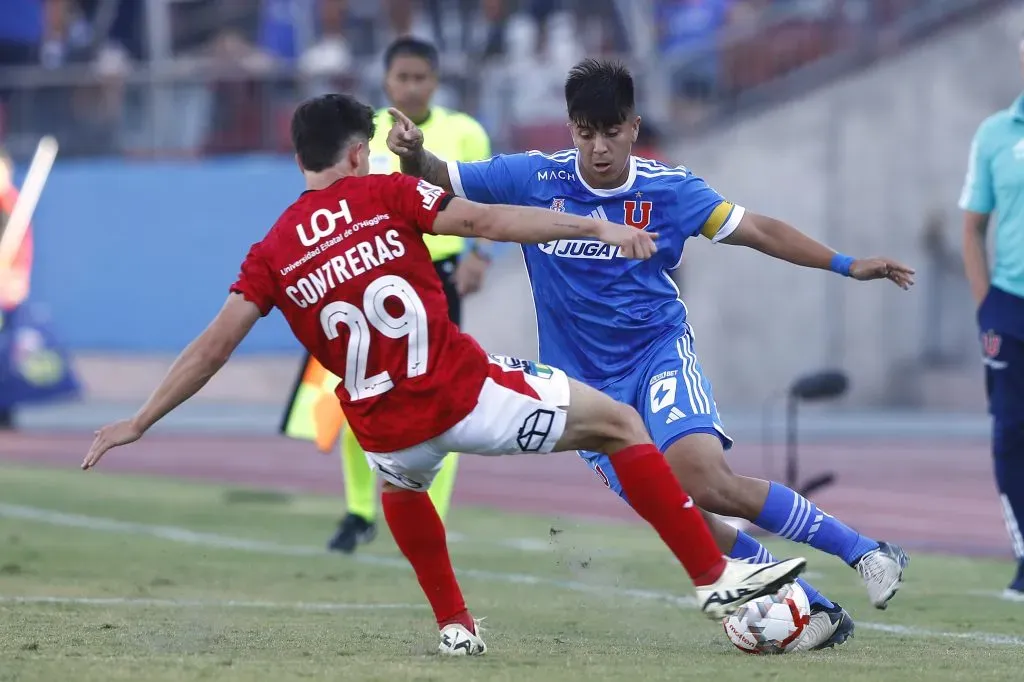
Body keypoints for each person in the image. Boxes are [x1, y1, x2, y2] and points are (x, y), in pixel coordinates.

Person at [82, 93, 807, 655]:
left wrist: (139, 420)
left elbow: (214, 345)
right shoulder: (385, 194)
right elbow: (489, 224)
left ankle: (455, 625)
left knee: (400, 484)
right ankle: (715, 578)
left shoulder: (271, 250)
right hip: (464, 396)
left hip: (387, 429)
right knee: (620, 424)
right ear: (357, 152)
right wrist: (595, 226)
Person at [388, 58, 916, 652]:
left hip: (655, 355)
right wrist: (413, 151)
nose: (599, 147)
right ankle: (817, 609)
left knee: (704, 480)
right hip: (582, 387)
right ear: (571, 130)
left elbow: (758, 230)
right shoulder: (532, 177)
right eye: (586, 132)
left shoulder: (671, 190)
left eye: (611, 132)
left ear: (634, 127)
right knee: (684, 513)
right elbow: (437, 178)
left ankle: (866, 551)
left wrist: (848, 264)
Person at [280, 37, 494, 554]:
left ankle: (433, 517)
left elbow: (486, 198)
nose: (413, 85)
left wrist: (478, 256)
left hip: (436, 278)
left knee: (445, 400)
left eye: (422, 77)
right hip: (371, 276)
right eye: (404, 77)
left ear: (436, 81)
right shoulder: (364, 132)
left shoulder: (464, 131)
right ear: (387, 81)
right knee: (360, 393)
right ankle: (358, 510)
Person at [959, 36, 1024, 600]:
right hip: (1009, 306)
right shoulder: (997, 134)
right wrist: (985, 306)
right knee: (1010, 435)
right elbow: (973, 227)